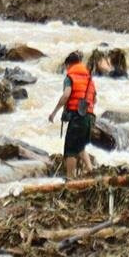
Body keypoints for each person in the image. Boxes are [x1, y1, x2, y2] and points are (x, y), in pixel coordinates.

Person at [46, 51, 97, 179]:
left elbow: (66, 95)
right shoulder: (89, 79)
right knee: (79, 146)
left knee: (70, 151)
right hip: (90, 117)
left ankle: (70, 179)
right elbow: (94, 99)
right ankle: (91, 171)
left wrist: (54, 112)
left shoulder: (70, 78)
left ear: (68, 65)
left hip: (77, 117)